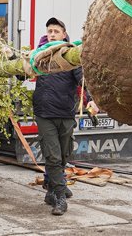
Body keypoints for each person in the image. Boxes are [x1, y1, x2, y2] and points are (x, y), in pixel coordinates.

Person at [33, 17, 98, 216]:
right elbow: (23, 72)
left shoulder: (70, 56)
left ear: (64, 34)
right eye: (49, 31)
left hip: (66, 113)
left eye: (56, 31)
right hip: (44, 112)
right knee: (52, 156)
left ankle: (50, 187)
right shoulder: (39, 56)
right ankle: (59, 197)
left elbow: (82, 81)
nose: (51, 34)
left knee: (63, 155)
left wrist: (91, 100)